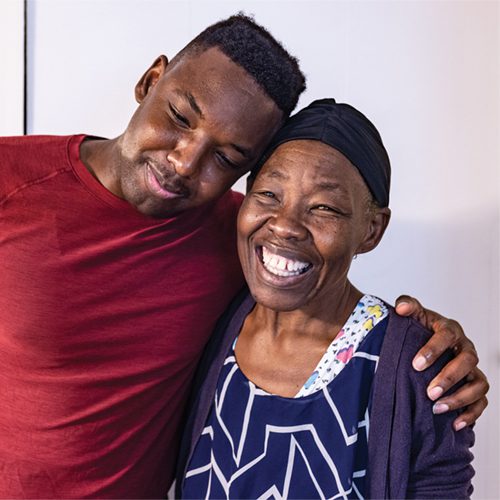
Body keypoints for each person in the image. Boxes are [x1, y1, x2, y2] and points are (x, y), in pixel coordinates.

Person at [0, 14, 485, 499]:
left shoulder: (241, 234)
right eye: (180, 117)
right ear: (150, 81)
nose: (185, 163)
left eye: (227, 158)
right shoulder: (12, 180)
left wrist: (431, 340)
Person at [177, 99, 475, 499]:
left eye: (324, 208)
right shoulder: (213, 315)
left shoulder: (417, 366)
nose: (284, 226)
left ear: (371, 230)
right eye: (268, 194)